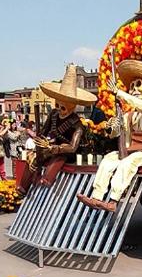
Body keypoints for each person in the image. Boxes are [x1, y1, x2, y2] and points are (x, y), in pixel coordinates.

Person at [78, 58, 142, 212]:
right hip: (128, 150)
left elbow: (141, 105)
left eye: (139, 85)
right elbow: (116, 134)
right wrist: (111, 127)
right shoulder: (128, 115)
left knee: (129, 163)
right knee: (108, 160)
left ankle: (113, 200)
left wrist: (119, 93)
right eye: (132, 86)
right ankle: (97, 197)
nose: (135, 89)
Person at [19, 64, 96, 195]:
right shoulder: (53, 114)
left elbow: (72, 147)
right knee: (33, 156)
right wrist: (40, 141)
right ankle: (23, 187)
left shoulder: (77, 123)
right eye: (57, 105)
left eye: (63, 107)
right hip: (52, 147)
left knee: (58, 158)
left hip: (70, 153)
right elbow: (43, 132)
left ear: (71, 107)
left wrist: (53, 148)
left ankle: (46, 180)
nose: (60, 109)